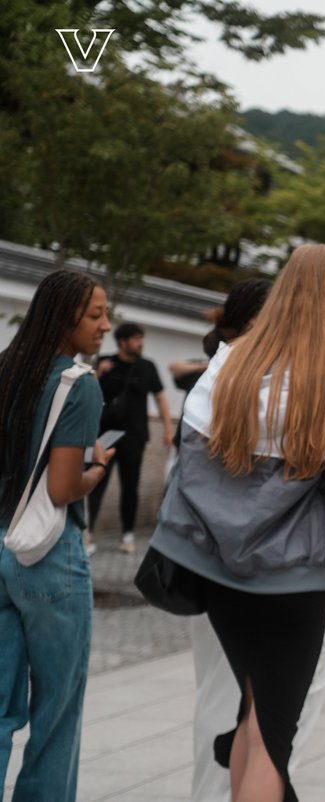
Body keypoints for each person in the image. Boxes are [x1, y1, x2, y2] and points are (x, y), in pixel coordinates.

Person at [149, 244, 325, 802]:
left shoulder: (226, 367)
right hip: (294, 585)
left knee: (252, 713)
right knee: (270, 738)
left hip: (220, 579)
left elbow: (191, 474)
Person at [0, 270, 112, 801]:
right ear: (65, 317)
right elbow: (64, 487)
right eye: (96, 315)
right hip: (47, 555)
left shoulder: (5, 370)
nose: (105, 326)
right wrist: (98, 468)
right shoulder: (78, 383)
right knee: (57, 709)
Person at [87, 322, 173, 554]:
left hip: (135, 436)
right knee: (96, 483)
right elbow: (87, 392)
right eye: (136, 339)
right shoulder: (105, 362)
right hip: (105, 435)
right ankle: (88, 533)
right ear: (122, 342)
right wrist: (98, 372)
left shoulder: (147, 367)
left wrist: (168, 429)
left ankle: (127, 534)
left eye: (141, 338)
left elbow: (161, 398)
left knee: (130, 486)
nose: (140, 343)